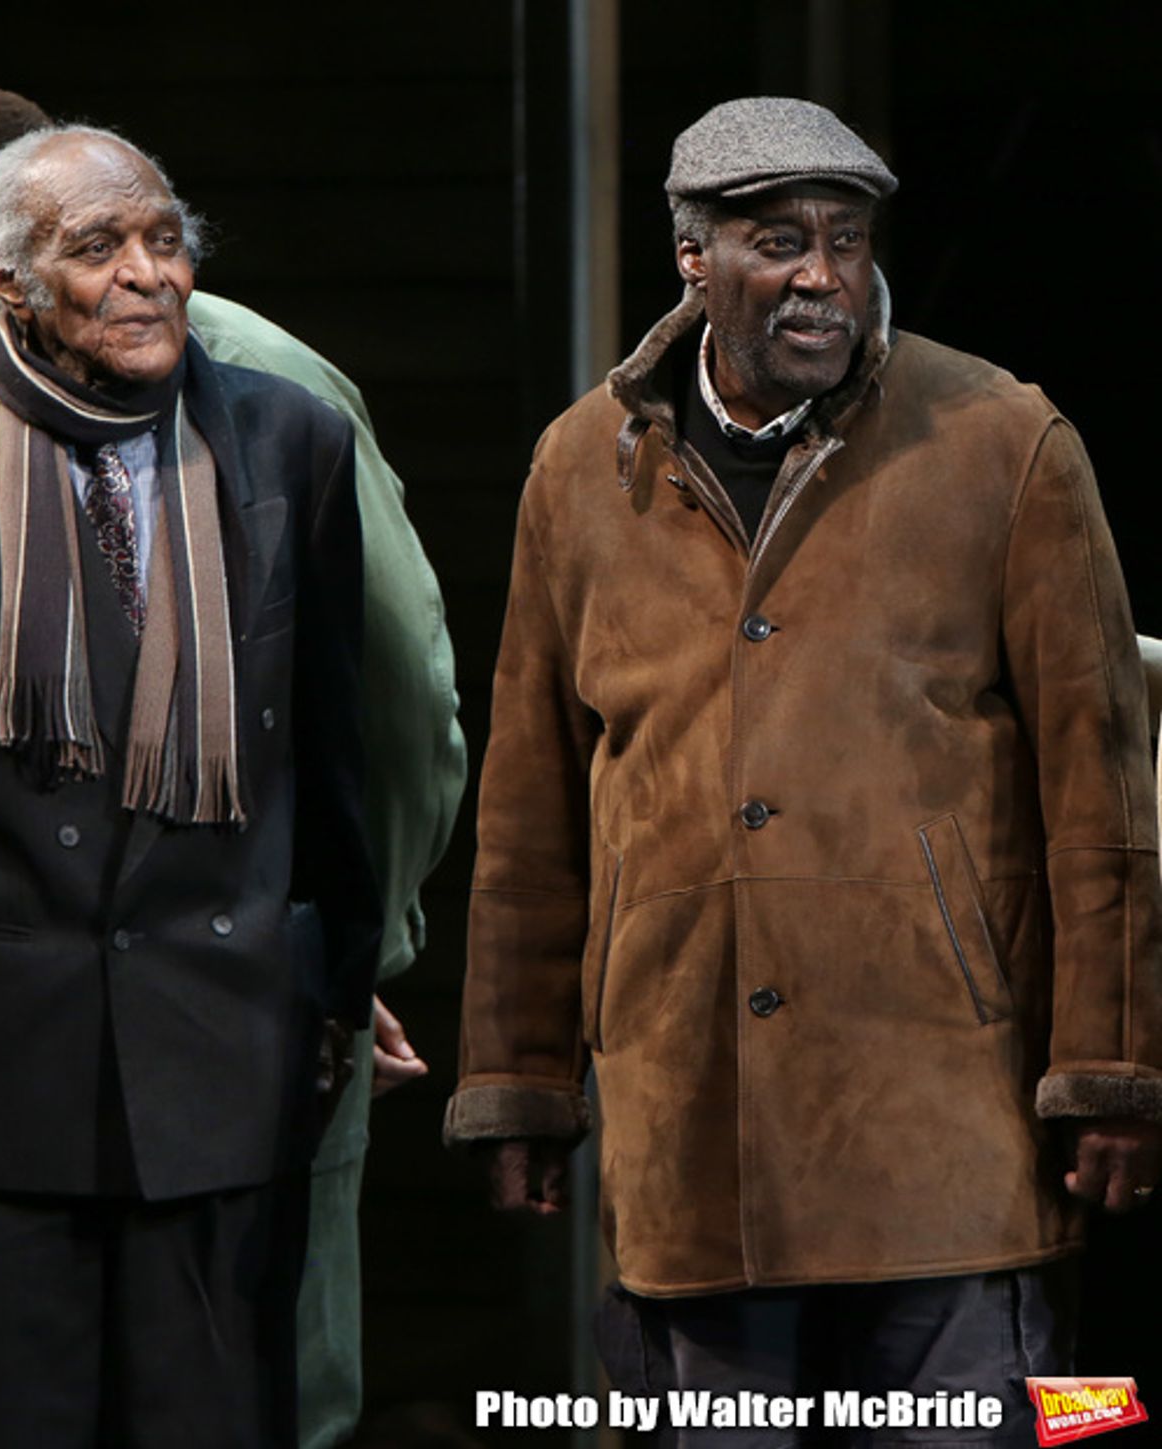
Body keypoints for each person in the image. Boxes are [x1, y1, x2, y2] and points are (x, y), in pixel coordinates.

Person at [445, 96, 1162, 1445]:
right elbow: (530, 802)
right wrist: (520, 1075)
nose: (823, 275)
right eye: (780, 241)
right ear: (694, 258)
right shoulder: (579, 473)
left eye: (846, 238)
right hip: (685, 1132)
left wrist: (1113, 1068)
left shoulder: (1002, 443)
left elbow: (1105, 793)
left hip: (941, 1119)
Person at [0, 83, 465, 1447]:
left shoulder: (283, 429)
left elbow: (362, 733)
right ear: (9, 283)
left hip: (224, 1040)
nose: (147, 274)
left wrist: (344, 977)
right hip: (1, 1061)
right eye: (99, 248)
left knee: (228, 1413)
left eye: (166, 239)